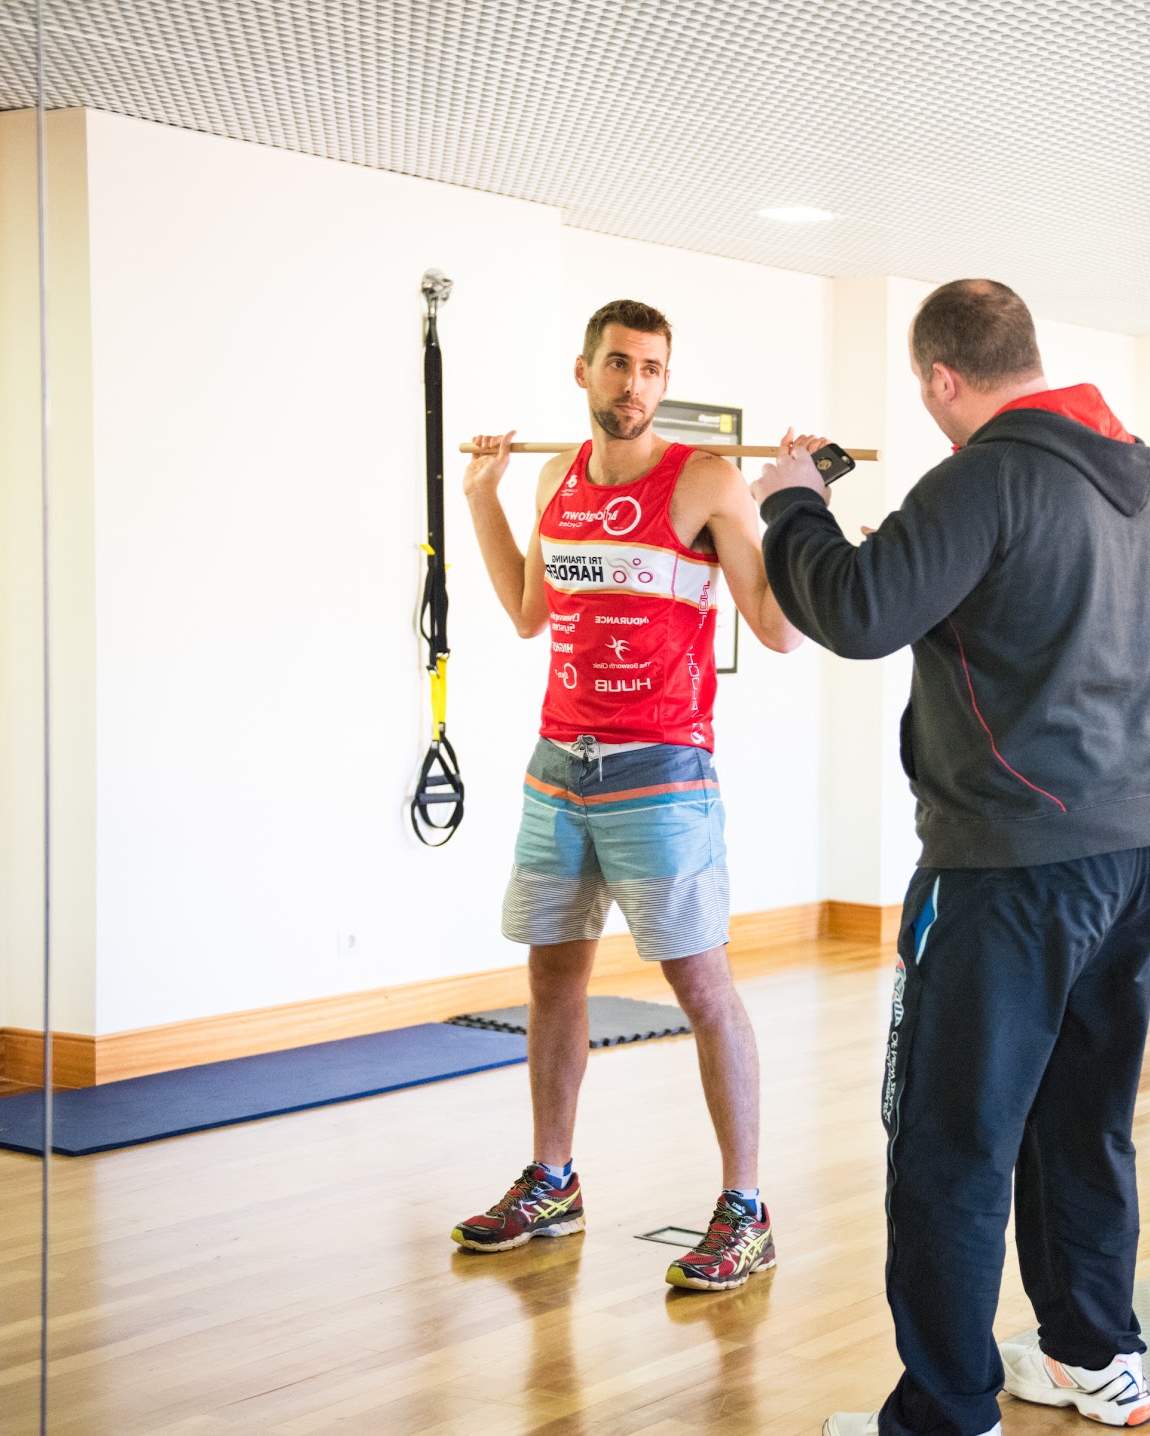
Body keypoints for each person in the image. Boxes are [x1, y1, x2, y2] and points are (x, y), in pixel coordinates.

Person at [754, 279, 1150, 1435]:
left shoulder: (986, 474)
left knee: (950, 1141)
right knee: (1079, 1122)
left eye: (923, 388)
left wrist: (791, 504)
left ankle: (947, 1411)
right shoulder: (1131, 482)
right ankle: (1093, 1355)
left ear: (943, 377)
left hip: (1010, 866)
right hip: (1140, 851)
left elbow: (856, 610)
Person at [450, 298, 805, 1293]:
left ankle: (745, 1210)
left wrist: (797, 505)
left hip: (662, 772)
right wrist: (481, 498)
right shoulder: (556, 476)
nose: (634, 385)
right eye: (618, 364)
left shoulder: (704, 479)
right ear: (584, 371)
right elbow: (530, 611)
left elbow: (779, 629)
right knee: (552, 982)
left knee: (702, 989)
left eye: (651, 369)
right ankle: (551, 1182)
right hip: (558, 767)